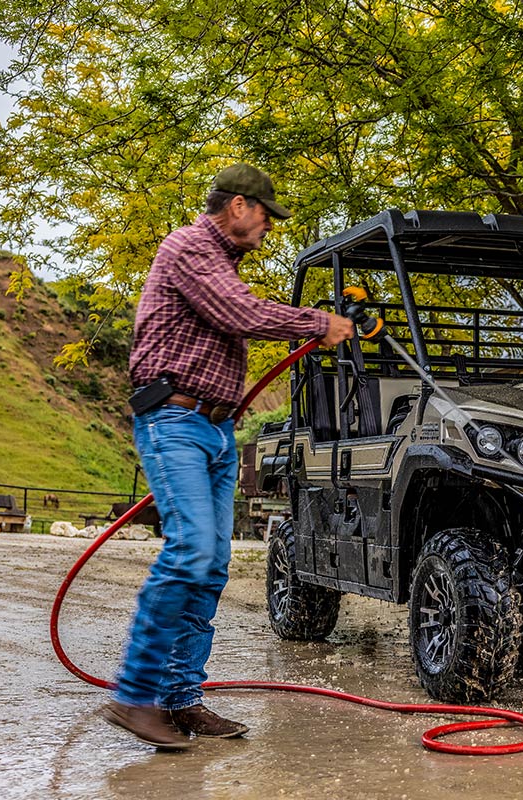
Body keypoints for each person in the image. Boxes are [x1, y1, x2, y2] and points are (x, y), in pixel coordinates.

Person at [102, 163, 354, 750]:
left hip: (214, 432)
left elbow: (235, 312)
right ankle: (134, 696)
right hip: (174, 422)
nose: (269, 227)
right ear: (239, 206)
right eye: (266, 215)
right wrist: (320, 322)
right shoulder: (191, 247)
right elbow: (239, 314)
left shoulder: (220, 265)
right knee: (191, 550)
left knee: (211, 565)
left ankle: (182, 700)